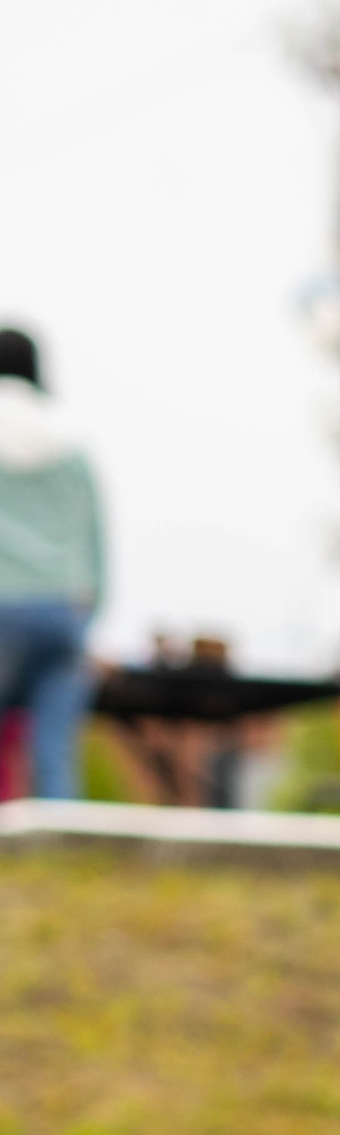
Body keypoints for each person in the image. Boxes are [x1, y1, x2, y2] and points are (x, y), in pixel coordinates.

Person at [0, 327, 104, 799]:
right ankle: (64, 853)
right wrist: (90, 610)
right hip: (62, 606)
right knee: (55, 752)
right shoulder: (69, 439)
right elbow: (93, 537)